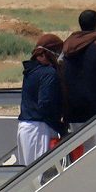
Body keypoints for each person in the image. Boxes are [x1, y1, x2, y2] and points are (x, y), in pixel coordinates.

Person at [17, 34, 67, 163]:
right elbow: (45, 105)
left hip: (25, 127)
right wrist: (60, 126)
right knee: (42, 174)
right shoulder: (48, 73)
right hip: (40, 129)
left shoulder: (31, 72)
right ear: (46, 54)